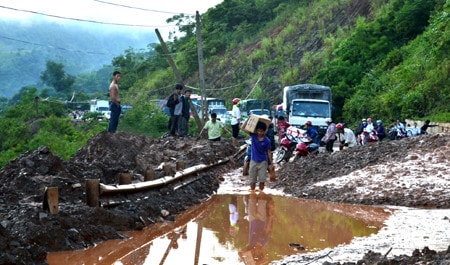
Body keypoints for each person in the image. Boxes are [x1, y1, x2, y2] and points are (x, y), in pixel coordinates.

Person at [238, 192, 274, 265]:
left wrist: (243, 259)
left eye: (255, 252)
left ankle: (252, 188)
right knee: (262, 200)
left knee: (252, 200)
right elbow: (267, 230)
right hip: (261, 219)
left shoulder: (251, 245)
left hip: (252, 220)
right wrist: (270, 218)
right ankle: (261, 188)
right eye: (259, 252)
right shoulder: (264, 242)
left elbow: (240, 252)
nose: (257, 250)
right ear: (261, 251)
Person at [241, 120, 273, 191]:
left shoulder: (267, 141)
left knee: (262, 181)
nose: (259, 133)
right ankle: (252, 194)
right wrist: (249, 118)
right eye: (258, 131)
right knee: (252, 181)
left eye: (261, 131)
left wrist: (271, 164)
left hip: (263, 162)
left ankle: (261, 194)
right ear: (256, 130)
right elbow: (242, 128)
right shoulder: (253, 136)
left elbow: (269, 152)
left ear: (264, 131)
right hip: (253, 161)